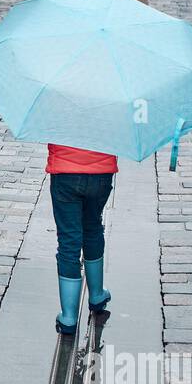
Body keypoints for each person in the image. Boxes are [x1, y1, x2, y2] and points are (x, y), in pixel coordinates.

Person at [48, 142, 117, 334]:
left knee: (68, 241)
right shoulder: (111, 109)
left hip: (65, 172)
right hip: (101, 172)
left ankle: (68, 317)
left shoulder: (55, 109)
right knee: (93, 228)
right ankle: (96, 295)